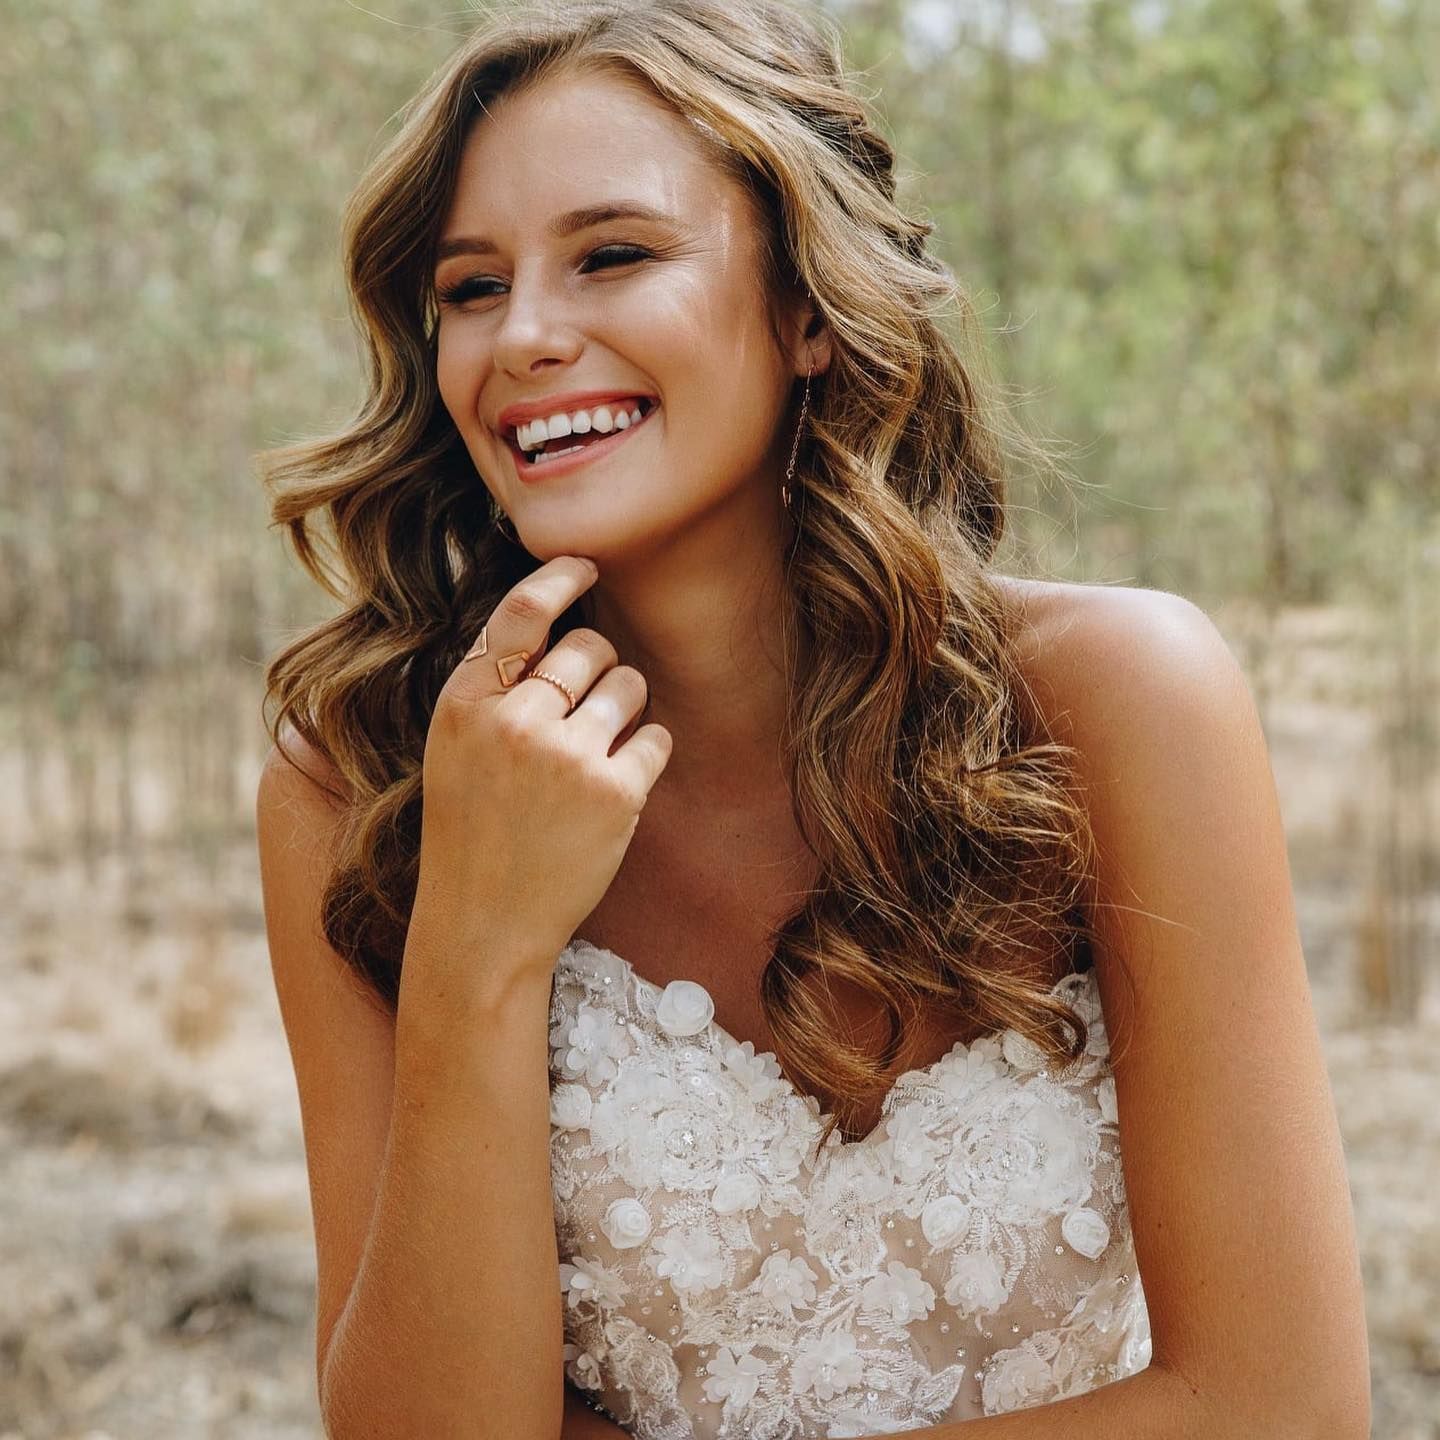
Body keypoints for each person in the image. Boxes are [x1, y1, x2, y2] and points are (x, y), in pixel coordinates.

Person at [254, 1, 1369, 1436]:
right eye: (471, 288)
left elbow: (1282, 1409)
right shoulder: (358, 792)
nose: (525, 335)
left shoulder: (1119, 703)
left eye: (614, 254)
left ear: (808, 312)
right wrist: (478, 947)